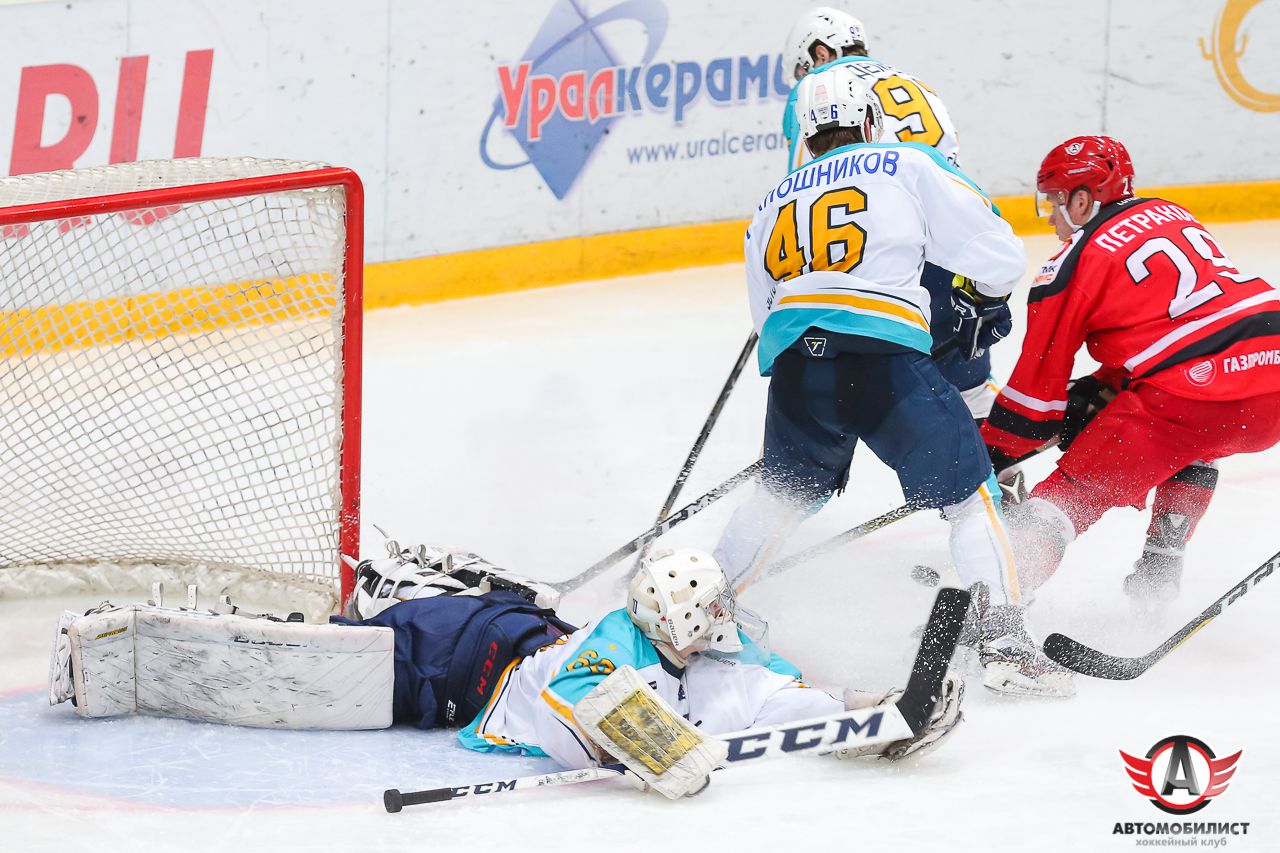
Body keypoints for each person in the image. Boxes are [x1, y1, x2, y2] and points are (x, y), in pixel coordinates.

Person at [49, 544, 963, 800]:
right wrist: (659, 748)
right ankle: (395, 591)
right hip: (469, 658)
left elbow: (783, 697)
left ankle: (436, 581)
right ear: (675, 620)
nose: (724, 621)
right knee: (349, 652)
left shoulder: (720, 652)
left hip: (516, 632)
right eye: (711, 611)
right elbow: (583, 700)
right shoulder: (610, 644)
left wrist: (872, 715)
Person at [713, 64, 1071, 698]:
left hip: (797, 366)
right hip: (883, 358)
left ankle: (703, 614)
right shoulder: (905, 162)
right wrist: (985, 299)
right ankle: (1007, 645)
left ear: (805, 134)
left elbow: (764, 316)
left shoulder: (768, 203)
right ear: (871, 121)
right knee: (972, 499)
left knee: (780, 497)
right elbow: (998, 253)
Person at [982, 135, 1280, 607]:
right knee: (1199, 437)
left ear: (1082, 200)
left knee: (1063, 500)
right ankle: (1161, 566)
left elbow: (1035, 396)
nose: (1051, 217)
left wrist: (992, 454)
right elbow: (1194, 321)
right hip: (1271, 365)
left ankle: (991, 615)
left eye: (1055, 202)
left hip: (1190, 393)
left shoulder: (1070, 265)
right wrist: (1102, 388)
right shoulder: (1173, 213)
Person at [783, 7, 1002, 422]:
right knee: (967, 390)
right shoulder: (916, 82)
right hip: (952, 252)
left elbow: (806, 190)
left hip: (880, 258)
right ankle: (995, 458)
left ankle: (813, 453)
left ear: (819, 53)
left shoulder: (819, 91)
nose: (801, 78)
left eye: (801, 67)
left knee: (844, 387)